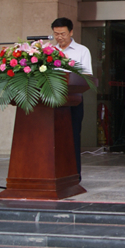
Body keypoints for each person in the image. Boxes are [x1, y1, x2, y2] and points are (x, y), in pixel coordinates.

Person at [52, 17, 93, 180]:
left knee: (73, 137)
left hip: (73, 100)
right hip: (52, 101)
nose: (59, 37)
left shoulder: (82, 51)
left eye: (62, 33)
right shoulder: (49, 52)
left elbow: (87, 77)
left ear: (71, 32)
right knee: (53, 139)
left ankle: (74, 175)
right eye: (56, 34)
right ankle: (55, 174)